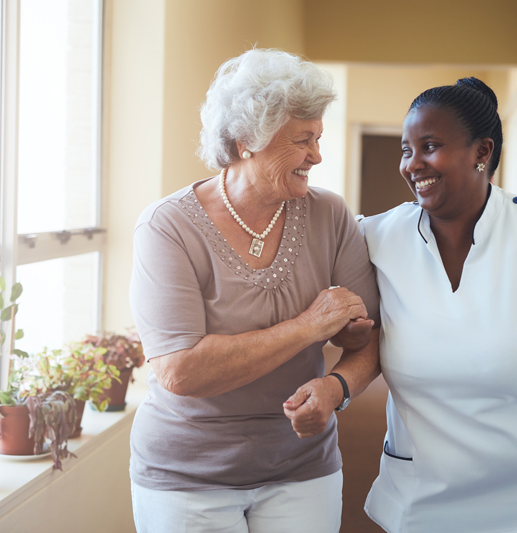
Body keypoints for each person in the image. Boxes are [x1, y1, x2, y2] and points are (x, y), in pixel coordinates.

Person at [128, 48, 380, 533]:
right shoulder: (167, 227)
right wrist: (309, 327)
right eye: (303, 140)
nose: (317, 156)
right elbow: (181, 371)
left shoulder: (330, 215)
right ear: (247, 140)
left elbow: (367, 340)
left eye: (319, 138)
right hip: (186, 475)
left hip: (302, 465)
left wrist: (337, 386)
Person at [357, 78, 517, 533]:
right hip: (420, 502)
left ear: (482, 152)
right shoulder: (375, 239)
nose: (412, 164)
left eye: (430, 146)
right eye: (406, 149)